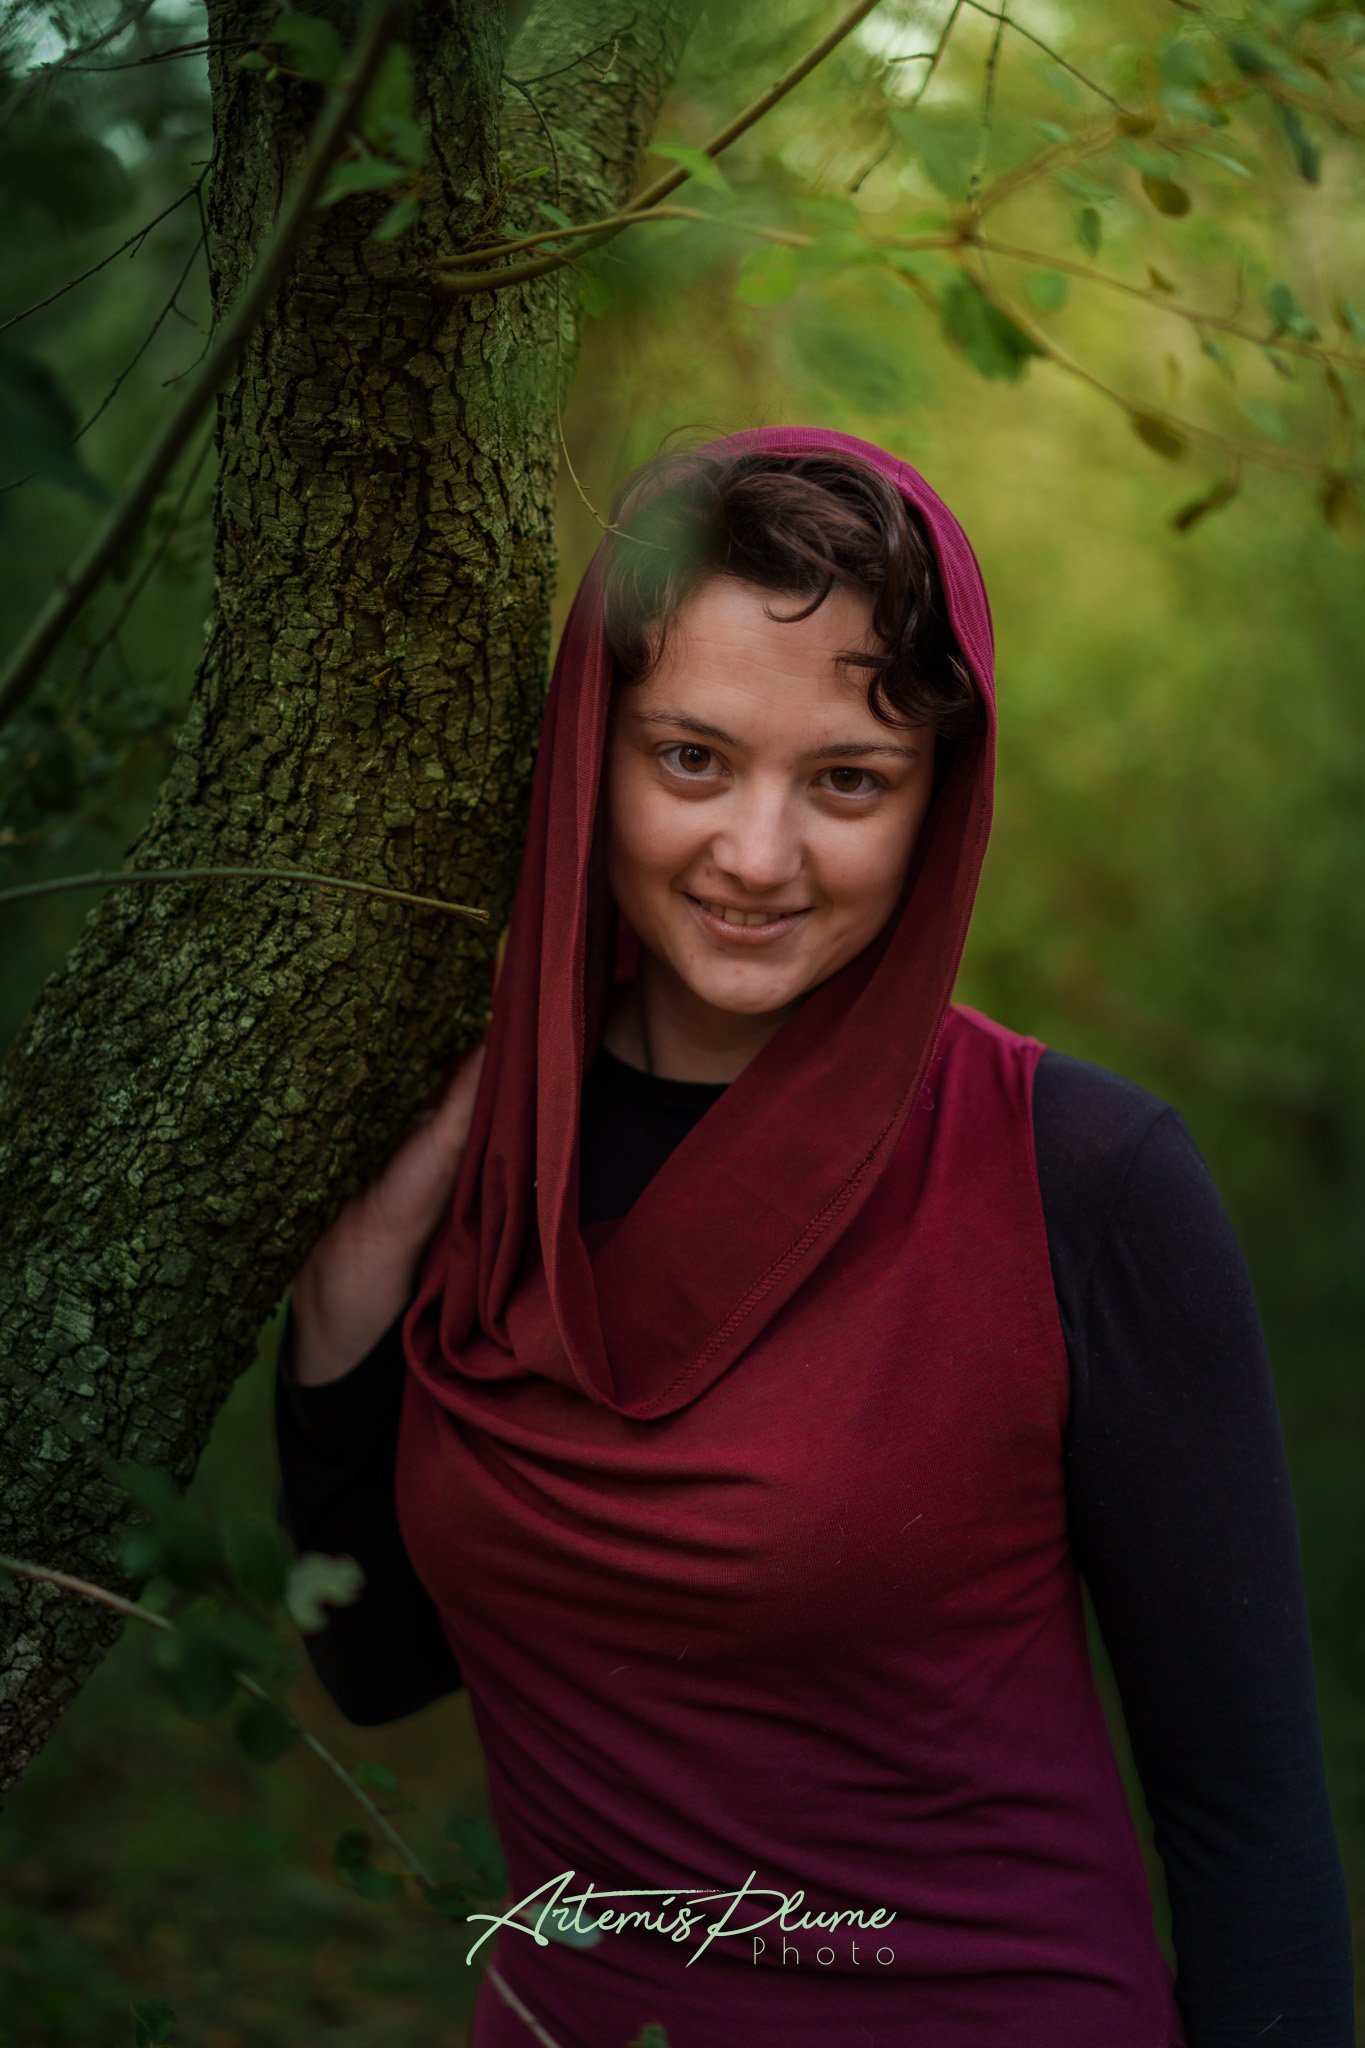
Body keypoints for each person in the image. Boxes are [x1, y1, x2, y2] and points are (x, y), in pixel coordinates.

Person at [275, 426, 1353, 2048]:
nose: (756, 857)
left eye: (847, 779)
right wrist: (353, 1304)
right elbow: (377, 1664)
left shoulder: (1081, 1177)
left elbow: (1246, 1816)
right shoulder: (481, 1154)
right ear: (588, 754)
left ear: (936, 800)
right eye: (690, 759)